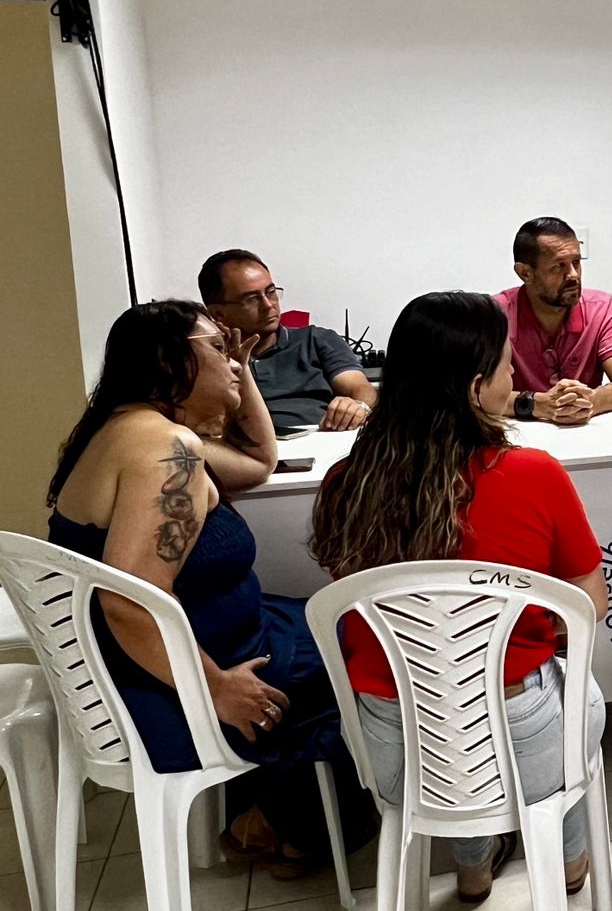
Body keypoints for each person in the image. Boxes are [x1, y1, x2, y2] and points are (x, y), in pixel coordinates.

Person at [46, 300, 373, 875]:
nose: (233, 359)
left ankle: (277, 815)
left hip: (203, 643)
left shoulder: (135, 427)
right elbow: (129, 601)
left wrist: (238, 375)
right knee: (369, 649)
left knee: (336, 621)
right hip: (182, 674)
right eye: (217, 348)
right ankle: (298, 823)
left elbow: (261, 461)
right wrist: (217, 687)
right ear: (171, 361)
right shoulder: (163, 451)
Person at [311, 291, 607, 903]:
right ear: (476, 388)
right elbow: (589, 606)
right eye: (505, 368)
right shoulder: (533, 473)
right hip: (519, 734)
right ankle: (571, 863)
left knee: (455, 704)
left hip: (394, 744)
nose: (512, 381)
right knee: (575, 693)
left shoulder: (348, 482)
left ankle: (473, 868)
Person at [199, 249, 377, 431]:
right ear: (218, 313)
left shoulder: (317, 340)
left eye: (271, 292)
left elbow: (359, 387)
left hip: (321, 442)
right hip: (245, 452)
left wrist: (359, 406)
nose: (269, 305)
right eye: (251, 299)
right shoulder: (205, 359)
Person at [494, 217, 612, 426]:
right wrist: (537, 404)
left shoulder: (600, 307)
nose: (573, 275)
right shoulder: (496, 314)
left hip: (582, 434)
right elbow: (474, 395)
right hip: (519, 436)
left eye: (576, 263)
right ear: (525, 273)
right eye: (559, 266)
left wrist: (592, 401)